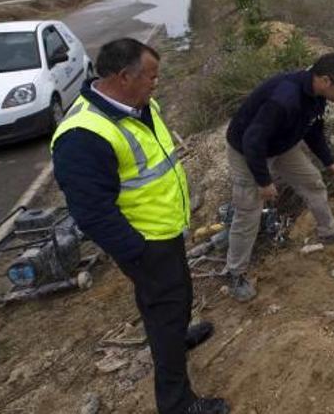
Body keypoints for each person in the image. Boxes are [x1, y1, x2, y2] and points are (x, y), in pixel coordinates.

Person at [51, 38, 229, 414]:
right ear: (122, 77)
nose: (156, 83)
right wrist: (138, 251)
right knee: (165, 309)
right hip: (146, 243)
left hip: (166, 230)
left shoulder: (139, 105)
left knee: (175, 297)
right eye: (150, 76)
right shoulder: (83, 135)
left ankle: (178, 337)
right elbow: (91, 211)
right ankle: (177, 403)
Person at [223, 52, 334, 301]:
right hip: (247, 152)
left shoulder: (316, 96)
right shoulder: (285, 98)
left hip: (282, 145)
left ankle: (329, 232)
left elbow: (313, 130)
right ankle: (235, 273)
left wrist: (329, 161)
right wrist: (264, 182)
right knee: (248, 211)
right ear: (325, 80)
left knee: (313, 183)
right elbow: (253, 141)